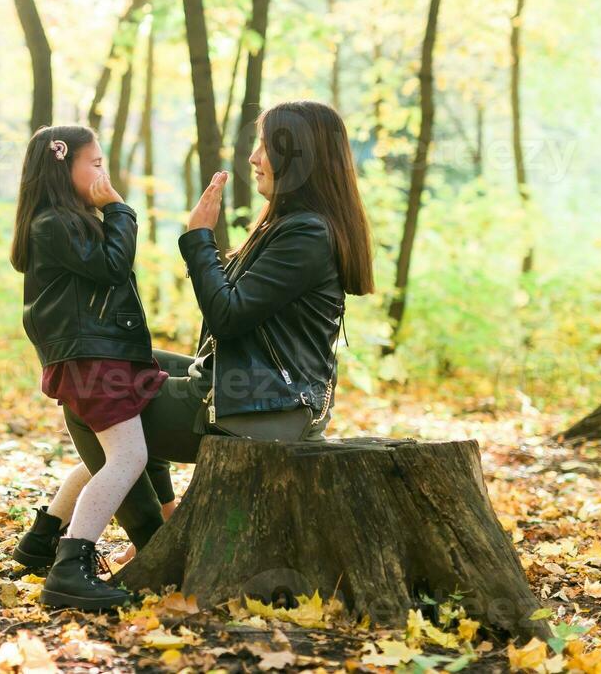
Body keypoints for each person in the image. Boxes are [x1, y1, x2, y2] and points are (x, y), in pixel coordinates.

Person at [63, 100, 376, 560]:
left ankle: (158, 547)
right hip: (252, 388)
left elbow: (227, 315)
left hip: (266, 407)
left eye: (265, 146)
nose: (253, 158)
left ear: (300, 157)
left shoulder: (305, 234)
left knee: (88, 392)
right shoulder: (293, 226)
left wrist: (199, 239)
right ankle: (160, 526)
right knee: (117, 368)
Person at [7, 124, 171, 610]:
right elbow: (112, 266)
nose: (104, 173)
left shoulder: (63, 220)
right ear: (64, 168)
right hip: (92, 360)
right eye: (95, 164)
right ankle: (70, 569)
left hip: (94, 357)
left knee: (104, 456)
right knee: (127, 460)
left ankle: (42, 541)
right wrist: (120, 210)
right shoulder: (55, 224)